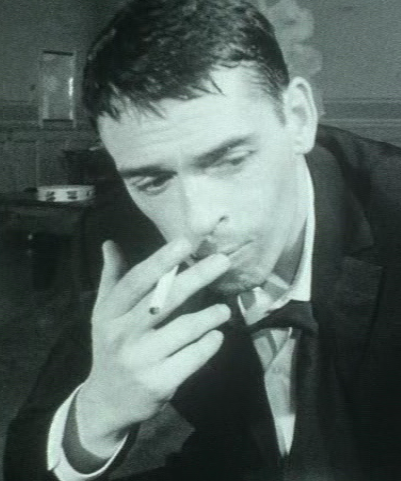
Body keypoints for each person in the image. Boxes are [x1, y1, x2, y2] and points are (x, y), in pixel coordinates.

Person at [5, 0, 401, 480]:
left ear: (298, 117)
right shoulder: (126, 246)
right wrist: (98, 412)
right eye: (153, 181)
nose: (196, 221)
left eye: (230, 160)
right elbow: (25, 462)